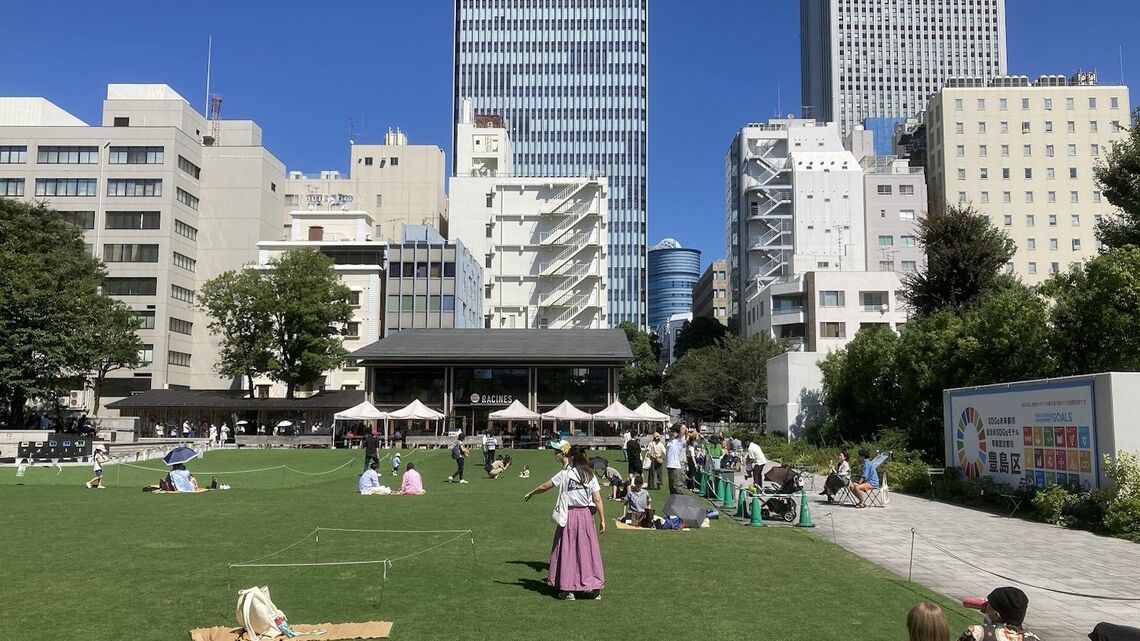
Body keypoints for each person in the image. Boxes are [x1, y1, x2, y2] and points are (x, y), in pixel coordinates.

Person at [523, 444, 605, 600]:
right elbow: (597, 499)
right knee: (587, 552)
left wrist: (532, 493)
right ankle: (591, 587)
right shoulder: (591, 476)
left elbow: (546, 486)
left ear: (572, 458)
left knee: (567, 550)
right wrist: (603, 520)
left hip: (569, 515)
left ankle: (568, 589)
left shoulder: (566, 474)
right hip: (586, 516)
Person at [957, 587, 1039, 641]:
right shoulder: (1033, 638)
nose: (985, 607)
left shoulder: (977, 632)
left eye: (989, 604)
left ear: (996, 615)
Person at [665, 424, 686, 495]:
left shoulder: (679, 441)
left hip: (675, 467)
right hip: (670, 467)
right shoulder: (670, 441)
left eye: (674, 432)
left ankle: (681, 504)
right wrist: (671, 428)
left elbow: (683, 428)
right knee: (671, 488)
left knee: (677, 487)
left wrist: (678, 426)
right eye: (671, 431)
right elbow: (668, 426)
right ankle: (673, 504)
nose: (672, 433)